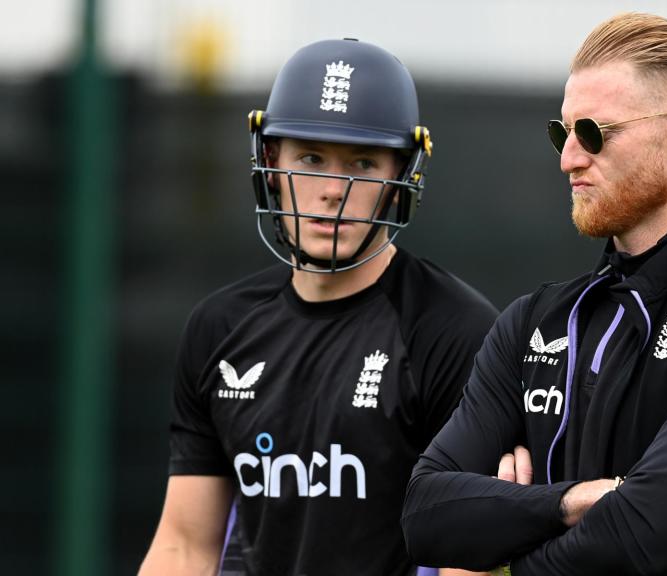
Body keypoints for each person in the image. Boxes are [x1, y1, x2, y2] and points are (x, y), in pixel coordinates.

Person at [402, 12, 667, 576]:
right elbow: (424, 516)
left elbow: (639, 538)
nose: (568, 158)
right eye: (562, 132)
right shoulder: (533, 321)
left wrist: (497, 552)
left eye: (594, 133)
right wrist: (569, 502)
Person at [138, 38, 501, 576]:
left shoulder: (455, 330)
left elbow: (468, 561)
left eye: (362, 161)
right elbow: (185, 545)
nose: (333, 189)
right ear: (270, 162)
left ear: (403, 175)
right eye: (310, 158)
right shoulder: (218, 328)